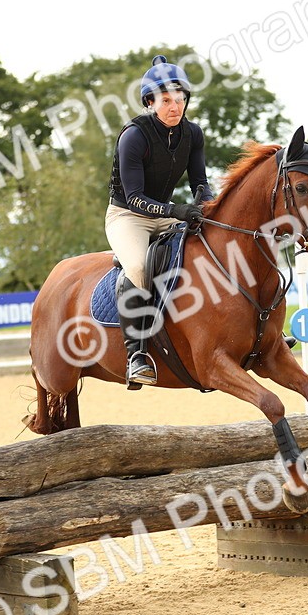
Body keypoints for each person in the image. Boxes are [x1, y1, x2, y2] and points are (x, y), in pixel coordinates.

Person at [106, 55, 213, 388]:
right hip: (127, 216)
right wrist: (176, 211)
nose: (175, 105)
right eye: (166, 100)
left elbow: (200, 181)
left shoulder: (192, 134)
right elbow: (135, 197)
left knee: (212, 245)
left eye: (180, 98)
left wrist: (205, 203)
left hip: (165, 213)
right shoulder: (133, 137)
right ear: (150, 102)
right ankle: (136, 357)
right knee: (137, 267)